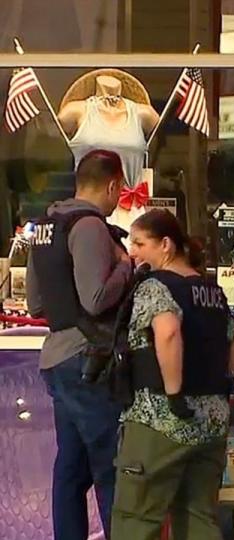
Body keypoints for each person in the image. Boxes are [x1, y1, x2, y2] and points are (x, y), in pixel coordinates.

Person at [110, 209, 234, 539]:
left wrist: (174, 394)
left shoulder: (155, 287)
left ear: (166, 245)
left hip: (159, 420)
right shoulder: (212, 291)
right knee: (199, 517)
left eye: (140, 243)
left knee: (137, 519)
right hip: (212, 423)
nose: (133, 251)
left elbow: (168, 332)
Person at [26, 149, 132, 540]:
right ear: (112, 185)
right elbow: (96, 297)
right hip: (87, 360)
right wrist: (127, 266)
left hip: (55, 358)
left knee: (71, 468)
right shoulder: (90, 226)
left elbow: (35, 303)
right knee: (108, 465)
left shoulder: (43, 225)